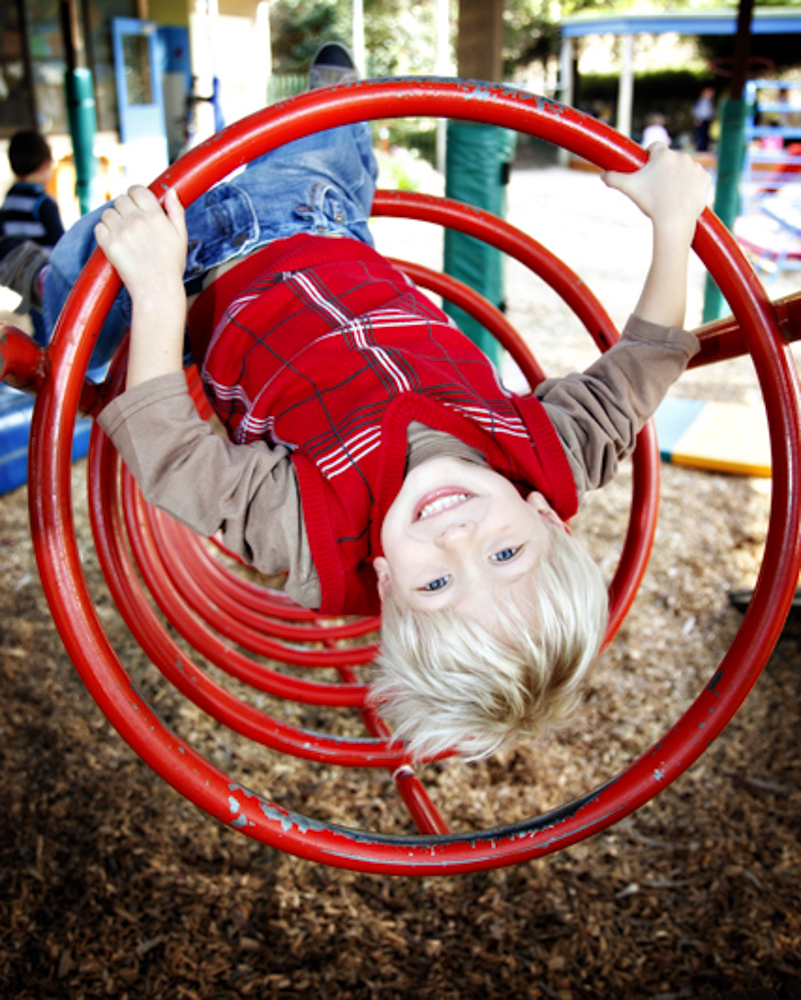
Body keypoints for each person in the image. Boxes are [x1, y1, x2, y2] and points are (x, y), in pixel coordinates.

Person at [28, 50, 713, 761]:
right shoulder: (551, 454)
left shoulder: (311, 535)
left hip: (198, 275)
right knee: (335, 129)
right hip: (319, 218)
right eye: (506, 553)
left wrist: (160, 291)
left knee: (89, 286)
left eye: (437, 581)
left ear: (387, 583)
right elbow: (643, 367)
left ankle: (42, 303)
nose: (459, 537)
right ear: (547, 519)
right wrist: (674, 221)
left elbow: (174, 459)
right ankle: (338, 100)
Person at [0, 130, 65, 333]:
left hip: (25, 281)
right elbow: (61, 243)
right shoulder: (43, 203)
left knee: (40, 327)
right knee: (58, 329)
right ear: (44, 165)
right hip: (49, 278)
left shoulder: (8, 202)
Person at [692, 87, 715, 153]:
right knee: (700, 135)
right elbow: (697, 111)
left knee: (706, 135)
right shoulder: (700, 101)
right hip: (700, 120)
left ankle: (705, 148)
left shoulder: (710, 102)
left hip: (707, 120)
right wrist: (697, 119)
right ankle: (700, 149)